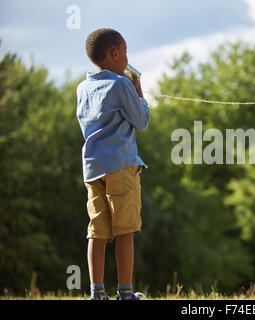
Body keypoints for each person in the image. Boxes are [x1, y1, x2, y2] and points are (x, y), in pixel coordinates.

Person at [76, 28, 150, 300]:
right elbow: (141, 122)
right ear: (115, 53)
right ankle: (126, 292)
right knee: (125, 230)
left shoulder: (82, 87)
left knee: (96, 230)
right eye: (125, 52)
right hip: (120, 165)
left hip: (92, 168)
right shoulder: (121, 85)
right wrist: (139, 94)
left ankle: (97, 293)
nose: (127, 58)